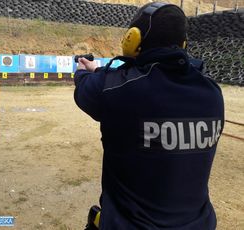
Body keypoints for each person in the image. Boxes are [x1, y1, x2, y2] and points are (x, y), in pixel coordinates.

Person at [74, 2, 224, 230]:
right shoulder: (212, 93)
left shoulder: (118, 89)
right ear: (183, 44)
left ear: (133, 39)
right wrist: (99, 70)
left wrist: (85, 70)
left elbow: (86, 88)